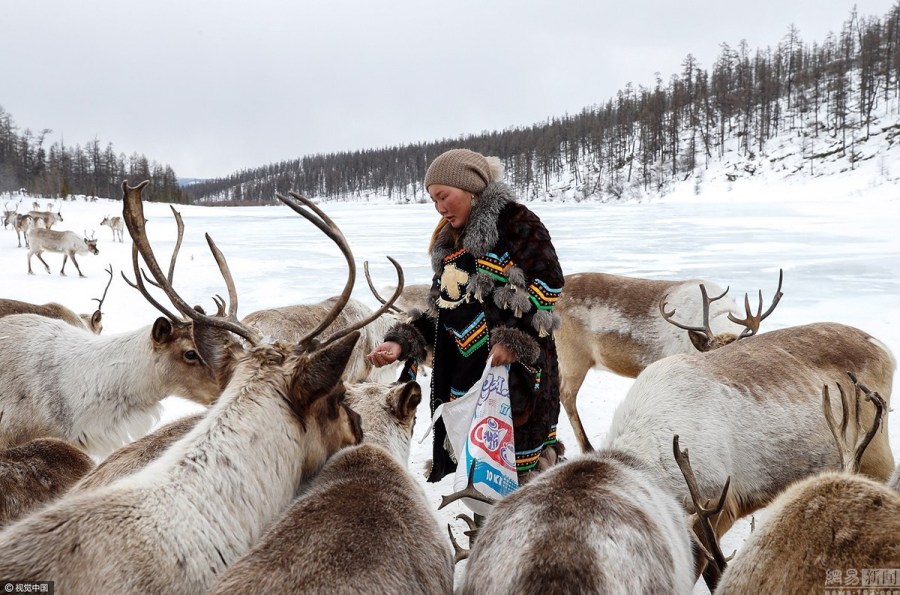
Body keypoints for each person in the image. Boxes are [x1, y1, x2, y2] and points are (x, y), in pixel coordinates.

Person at [368, 148, 565, 484]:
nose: (439, 207)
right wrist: (402, 342)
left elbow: (548, 285)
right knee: (478, 478)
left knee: (523, 484)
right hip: (466, 387)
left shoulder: (517, 224)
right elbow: (442, 313)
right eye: (433, 200)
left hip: (516, 386)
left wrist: (513, 341)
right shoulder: (450, 245)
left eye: (444, 196)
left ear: (471, 188)